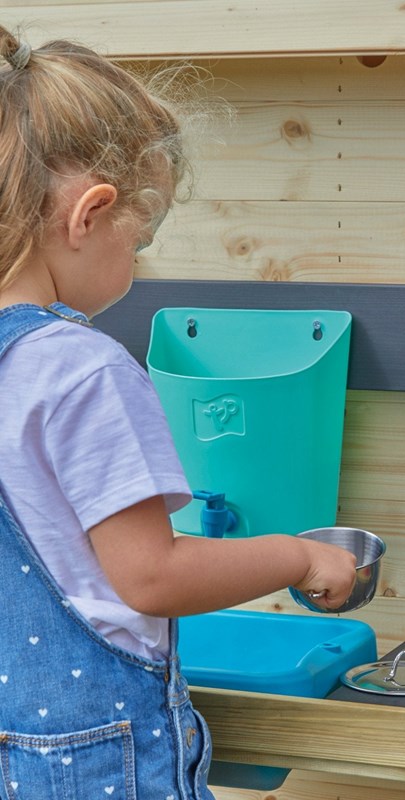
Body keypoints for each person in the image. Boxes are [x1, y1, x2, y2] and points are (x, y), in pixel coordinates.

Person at [0, 27, 357, 800]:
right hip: (93, 760)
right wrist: (298, 555)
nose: (142, 263)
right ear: (90, 214)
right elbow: (153, 576)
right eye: (144, 237)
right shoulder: (80, 367)